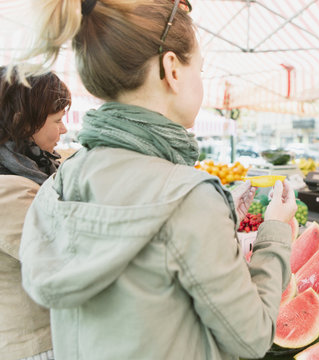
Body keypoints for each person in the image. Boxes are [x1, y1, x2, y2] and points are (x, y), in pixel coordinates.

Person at [17, 1, 297, 360]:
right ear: (172, 69)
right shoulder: (190, 200)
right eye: (200, 68)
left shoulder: (58, 182)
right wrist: (275, 232)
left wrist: (217, 213)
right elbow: (252, 337)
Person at [0, 67, 71, 360]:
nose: (64, 129)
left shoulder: (36, 168)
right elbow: (63, 256)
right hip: (35, 346)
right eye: (57, 120)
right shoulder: (9, 189)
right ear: (23, 122)